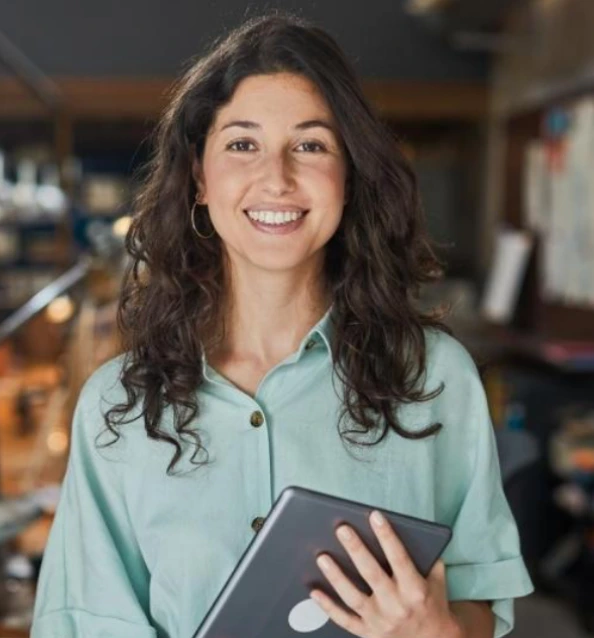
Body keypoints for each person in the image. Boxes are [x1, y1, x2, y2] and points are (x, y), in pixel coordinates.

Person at [33, 13, 532, 638]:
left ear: (348, 175)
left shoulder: (434, 377)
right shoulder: (118, 407)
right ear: (199, 177)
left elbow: (481, 598)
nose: (277, 177)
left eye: (311, 145)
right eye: (242, 144)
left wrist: (437, 631)